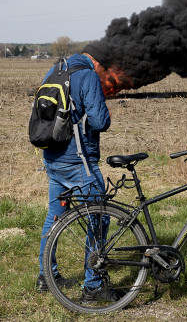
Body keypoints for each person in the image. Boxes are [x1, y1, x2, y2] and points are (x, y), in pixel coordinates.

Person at [36, 52, 122, 303]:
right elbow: (99, 120)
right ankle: (93, 287)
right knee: (98, 217)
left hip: (53, 159)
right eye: (101, 69)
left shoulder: (53, 72)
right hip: (79, 162)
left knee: (54, 216)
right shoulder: (88, 76)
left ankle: (46, 276)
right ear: (95, 63)